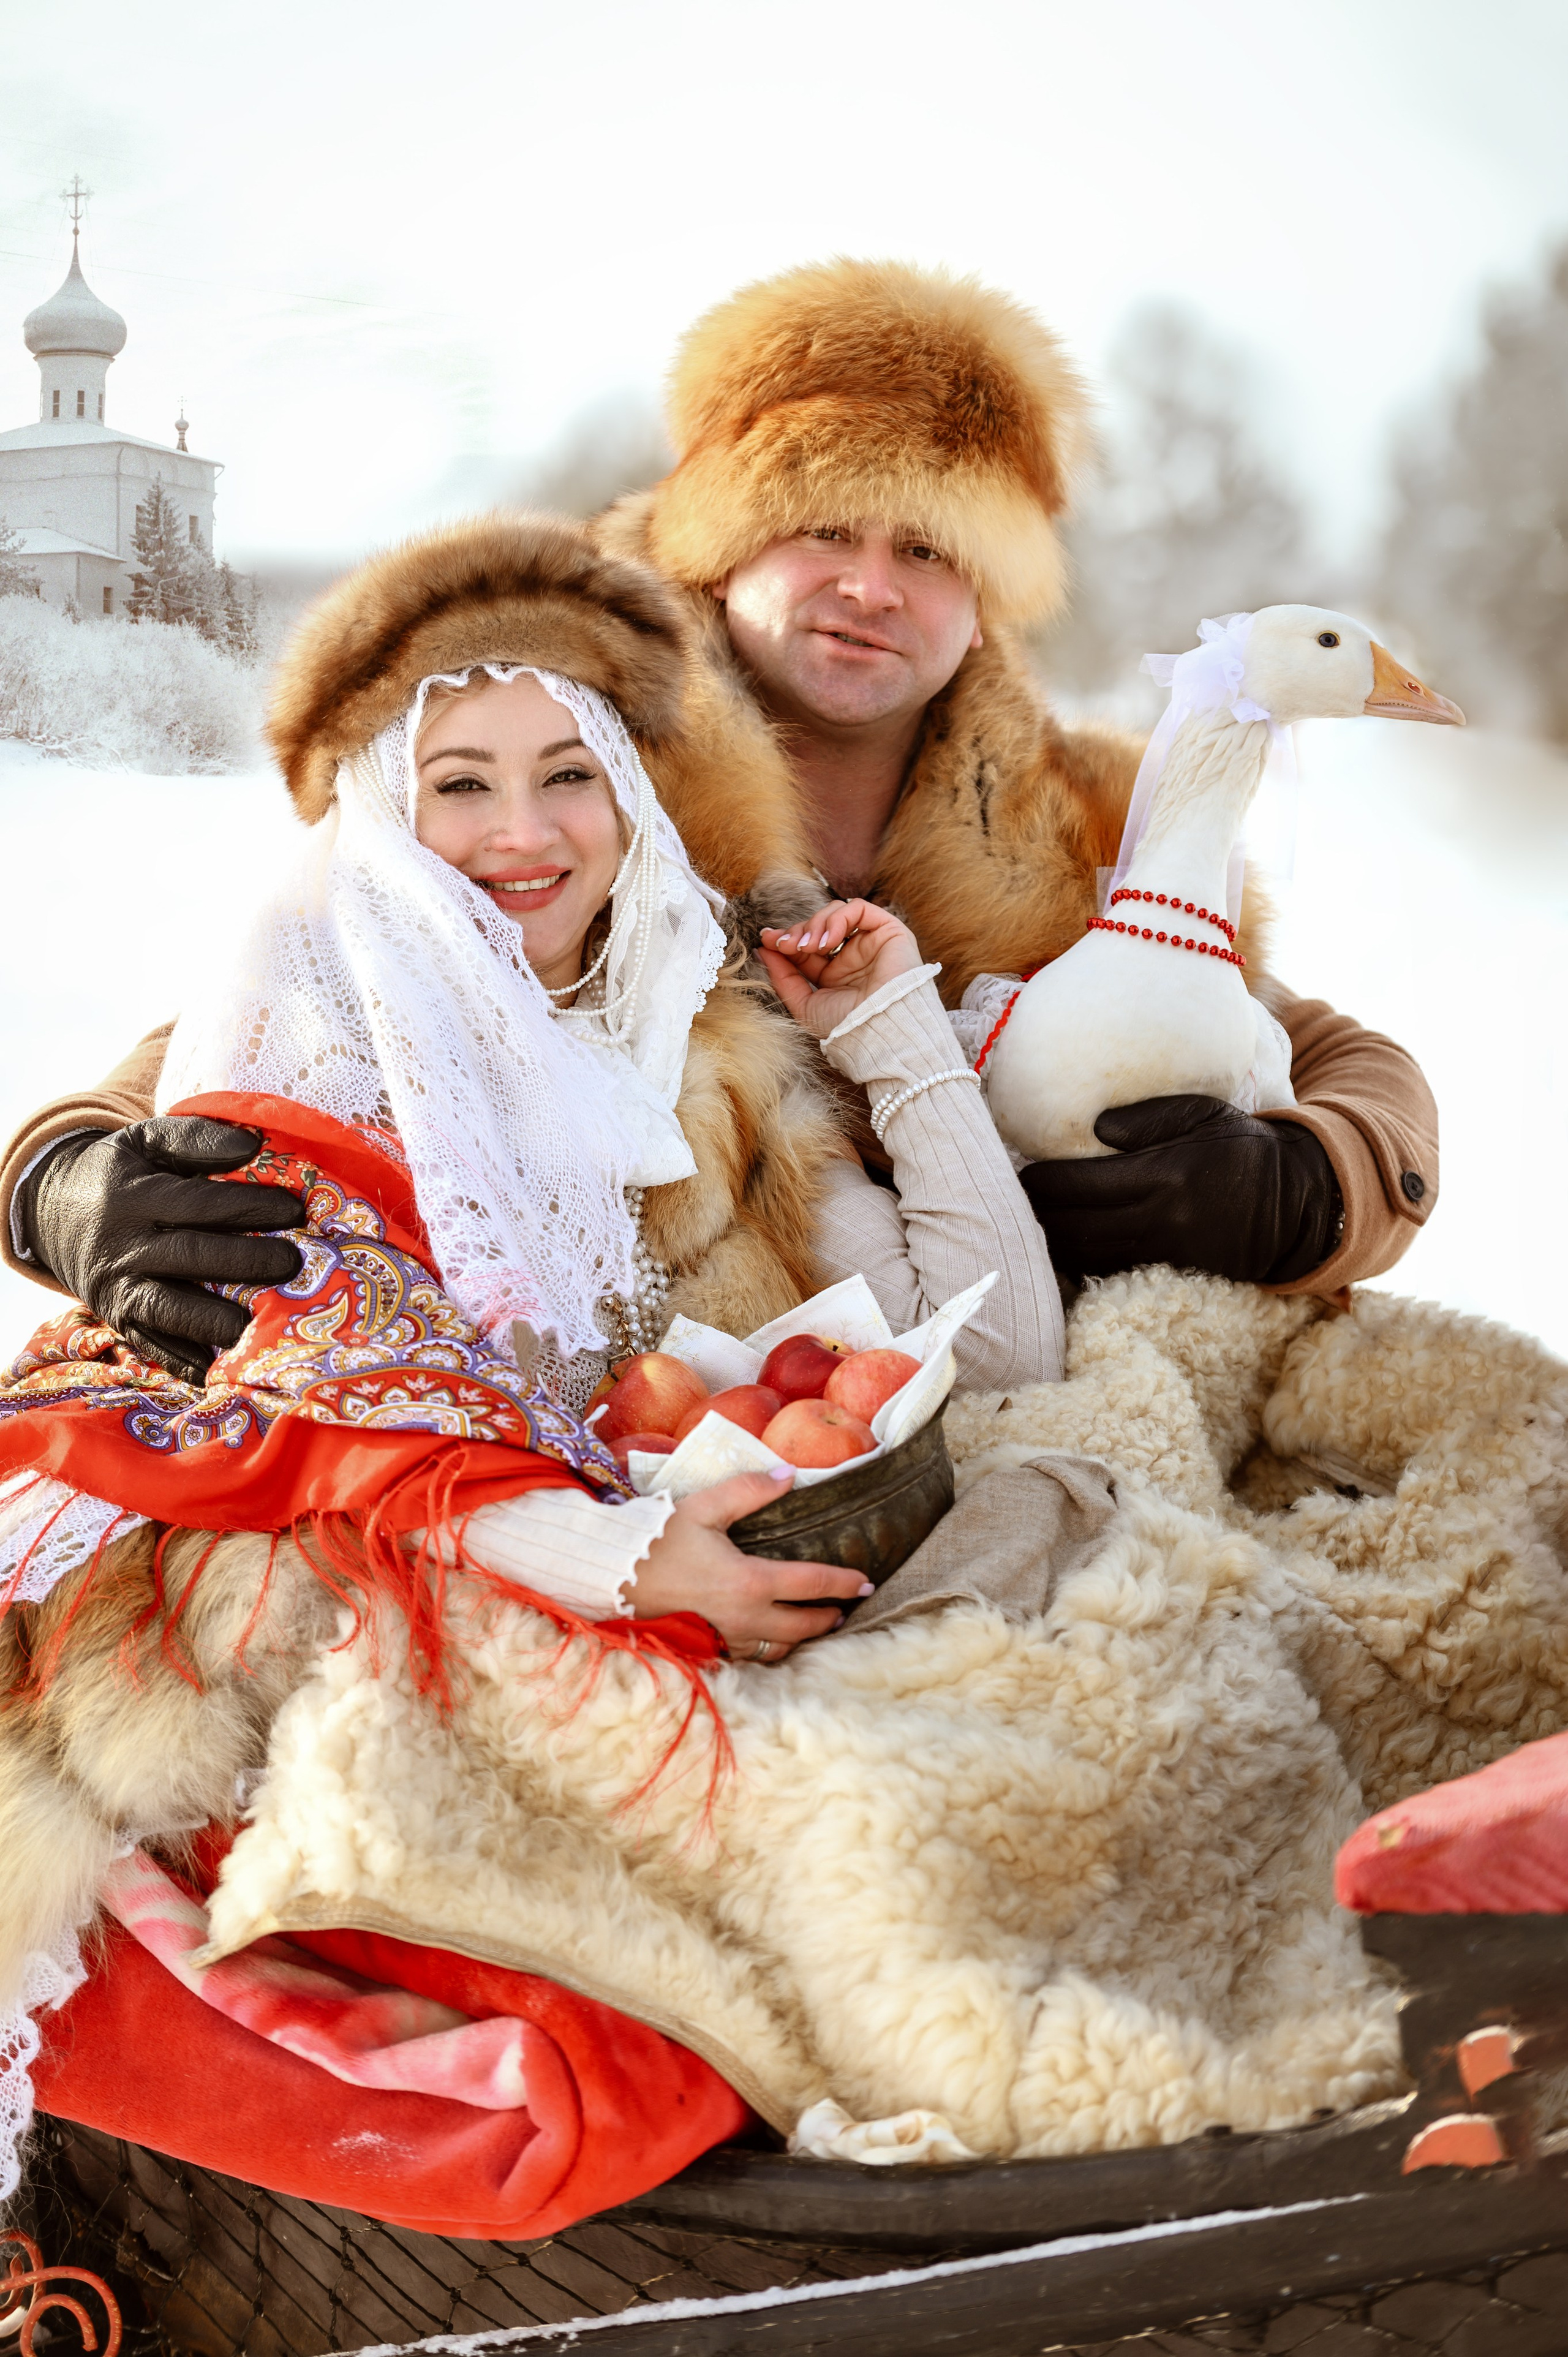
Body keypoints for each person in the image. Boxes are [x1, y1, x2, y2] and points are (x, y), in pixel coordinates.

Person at [0, 260, 1436, 1349]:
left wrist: (1312, 1182)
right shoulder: (566, 766)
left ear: (984, 588)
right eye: (822, 526)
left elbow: (1323, 1051)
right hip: (683, 1416)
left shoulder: (1083, 821)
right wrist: (61, 1176)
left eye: (928, 549)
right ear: (727, 538)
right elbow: (329, 978)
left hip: (1005, 1375)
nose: (869, 588)